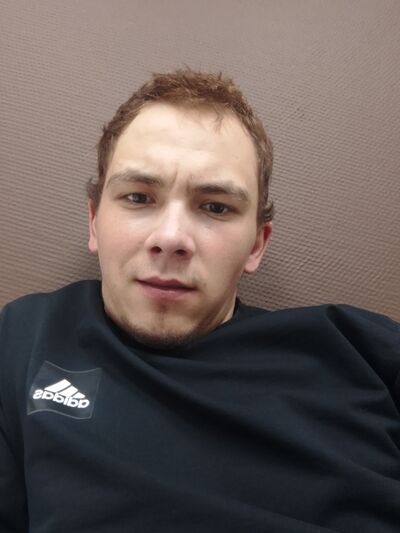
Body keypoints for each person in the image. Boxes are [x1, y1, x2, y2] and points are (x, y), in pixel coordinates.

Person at [0, 68, 399, 533]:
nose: (171, 238)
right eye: (138, 197)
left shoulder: (362, 353)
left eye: (215, 207)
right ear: (94, 222)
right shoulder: (23, 340)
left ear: (257, 244)